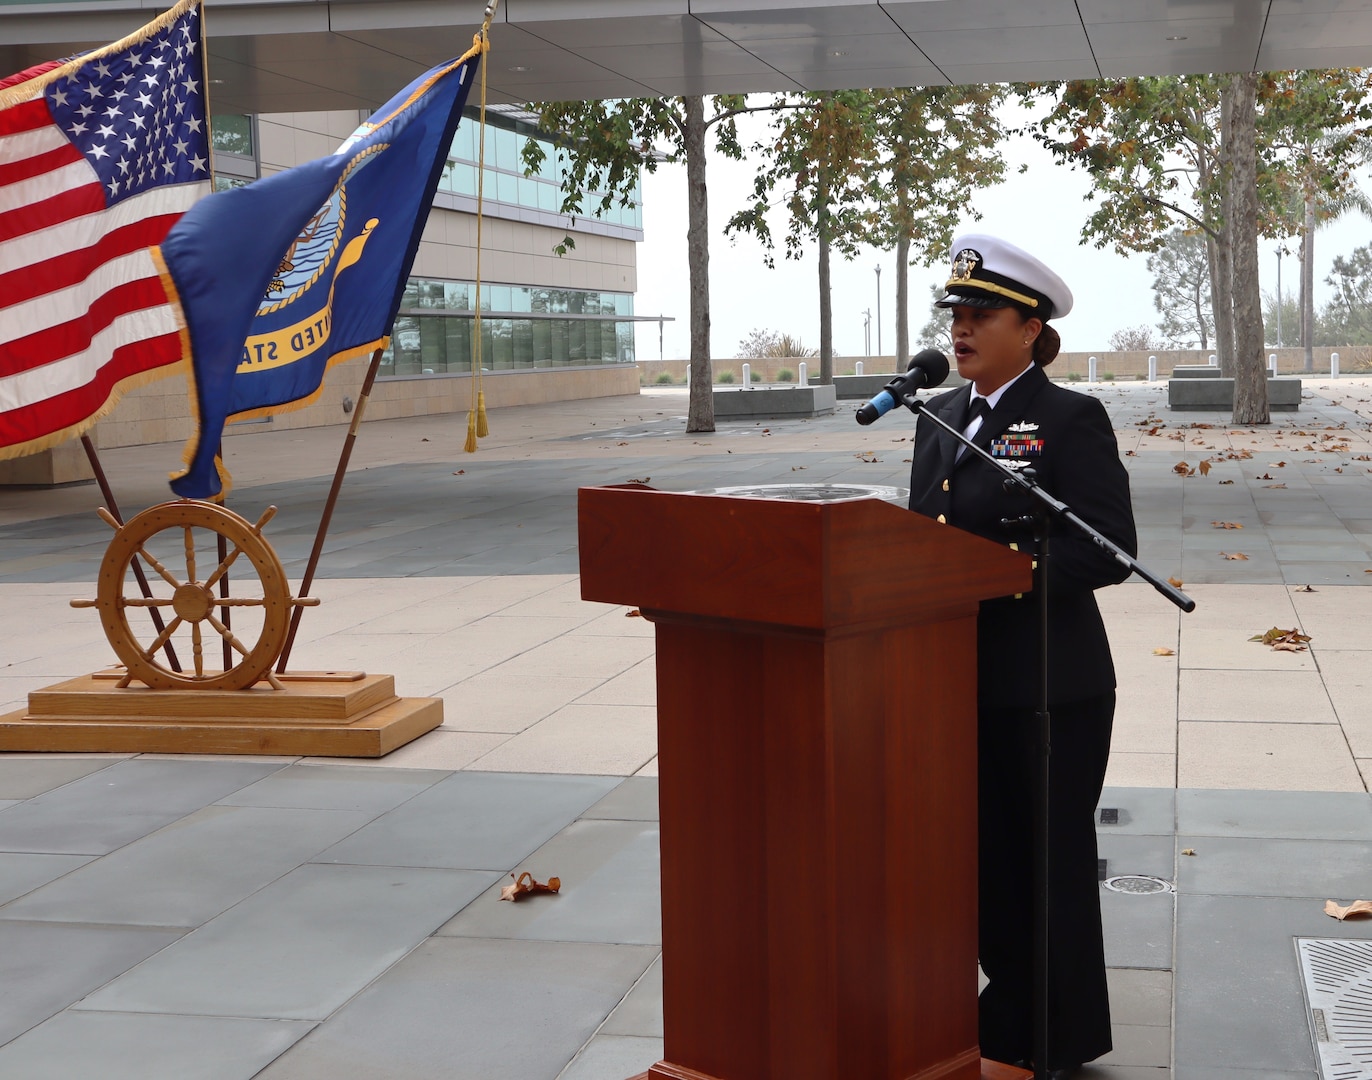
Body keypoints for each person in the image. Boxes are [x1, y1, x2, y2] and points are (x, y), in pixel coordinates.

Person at [906, 234, 1138, 1077]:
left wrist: (994, 576)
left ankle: (1050, 1037)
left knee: (1051, 863)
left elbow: (1107, 548)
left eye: (981, 314)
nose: (961, 329)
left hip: (1050, 684)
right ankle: (1010, 1018)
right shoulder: (938, 423)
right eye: (955, 314)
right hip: (961, 681)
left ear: (1029, 327)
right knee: (991, 862)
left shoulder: (1069, 417)